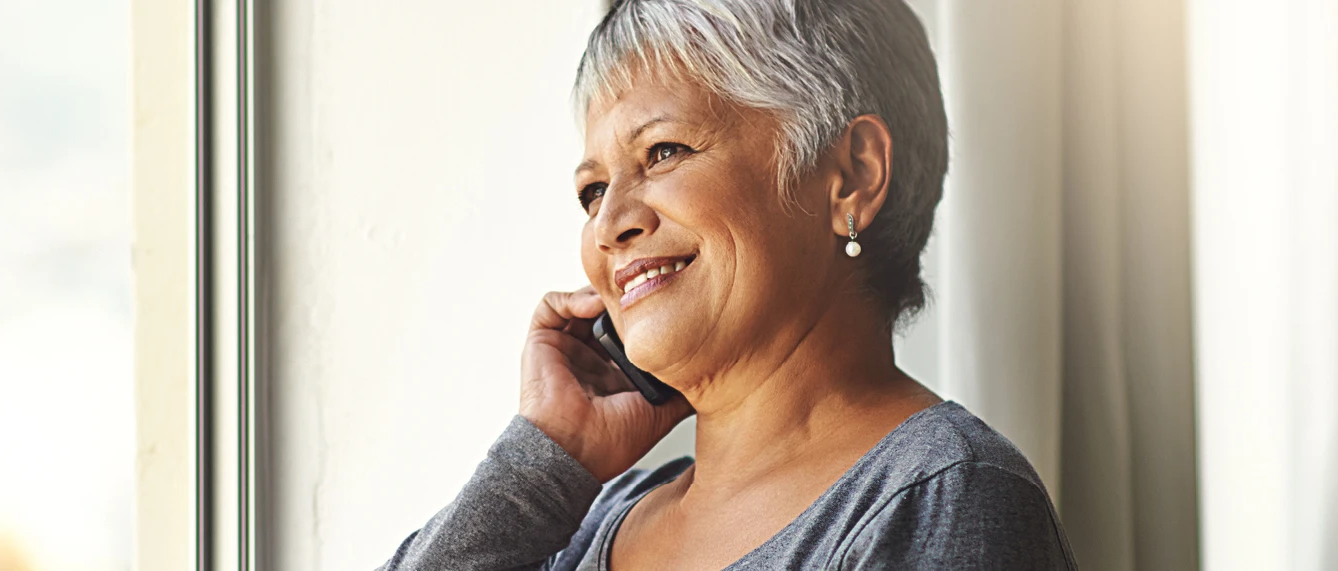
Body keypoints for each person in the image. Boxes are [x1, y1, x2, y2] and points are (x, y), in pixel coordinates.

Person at [379, 0, 1077, 569]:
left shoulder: (939, 496)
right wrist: (544, 458)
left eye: (663, 151)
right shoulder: (588, 519)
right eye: (592, 191)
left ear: (853, 176)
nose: (610, 224)